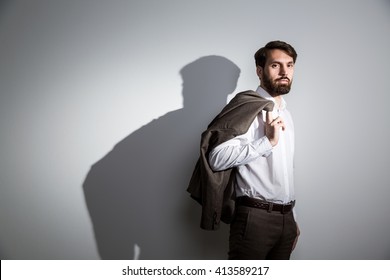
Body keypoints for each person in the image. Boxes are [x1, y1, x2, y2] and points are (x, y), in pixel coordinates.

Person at [187, 40, 300, 260]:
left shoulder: (286, 113)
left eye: (290, 65)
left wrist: (293, 217)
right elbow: (216, 158)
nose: (285, 71)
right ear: (260, 71)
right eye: (276, 65)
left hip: (286, 220)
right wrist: (267, 142)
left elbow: (287, 171)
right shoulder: (246, 107)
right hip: (254, 219)